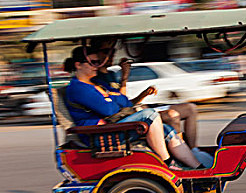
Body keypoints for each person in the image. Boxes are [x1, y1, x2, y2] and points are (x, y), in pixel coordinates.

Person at [63, 46, 202, 169]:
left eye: (98, 63)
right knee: (150, 115)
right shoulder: (78, 88)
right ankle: (168, 163)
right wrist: (110, 99)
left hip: (112, 127)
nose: (97, 66)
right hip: (100, 134)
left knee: (166, 129)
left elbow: (125, 102)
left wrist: (108, 98)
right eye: (93, 63)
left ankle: (197, 167)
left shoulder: (97, 84)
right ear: (78, 65)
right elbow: (109, 110)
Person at [90, 37, 199, 149]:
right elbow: (122, 106)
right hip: (125, 118)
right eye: (106, 52)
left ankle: (193, 149)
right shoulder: (96, 79)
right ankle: (182, 152)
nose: (111, 55)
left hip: (134, 110)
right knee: (172, 115)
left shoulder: (110, 75)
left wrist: (144, 94)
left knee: (190, 108)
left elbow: (125, 102)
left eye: (112, 52)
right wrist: (125, 78)